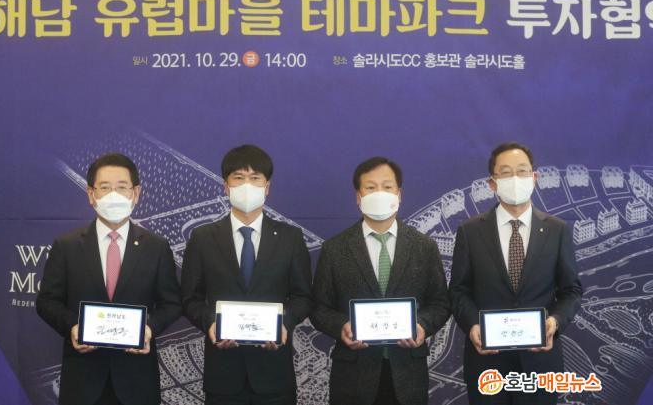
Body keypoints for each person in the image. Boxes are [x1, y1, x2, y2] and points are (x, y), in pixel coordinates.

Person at [36, 153, 182, 405]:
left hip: (137, 379)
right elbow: (47, 301)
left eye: (122, 187)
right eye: (105, 187)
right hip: (83, 380)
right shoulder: (67, 245)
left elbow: (172, 304)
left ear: (136, 193)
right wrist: (73, 327)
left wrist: (148, 329)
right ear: (91, 194)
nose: (114, 195)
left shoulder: (156, 247)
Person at [449, 142, 583, 404]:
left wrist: (554, 323)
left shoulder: (557, 230)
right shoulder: (470, 231)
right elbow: (458, 290)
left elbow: (571, 290)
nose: (515, 179)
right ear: (492, 183)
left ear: (534, 178)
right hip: (487, 364)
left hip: (540, 364)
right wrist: (473, 325)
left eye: (522, 171)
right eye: (506, 172)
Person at [311, 156, 451, 405]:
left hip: (407, 373)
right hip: (353, 375)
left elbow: (441, 303)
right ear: (358, 196)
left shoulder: (424, 246)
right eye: (370, 187)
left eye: (387, 187)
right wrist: (342, 326)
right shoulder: (335, 249)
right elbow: (319, 308)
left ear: (399, 194)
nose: (379, 194)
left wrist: (421, 326)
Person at [181, 144, 313, 405]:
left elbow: (303, 297)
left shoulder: (290, 237)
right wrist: (211, 323)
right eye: (238, 178)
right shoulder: (203, 237)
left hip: (274, 374)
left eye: (255, 178)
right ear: (226, 186)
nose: (247, 186)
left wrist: (284, 324)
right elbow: (190, 298)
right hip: (223, 375)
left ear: (267, 187)